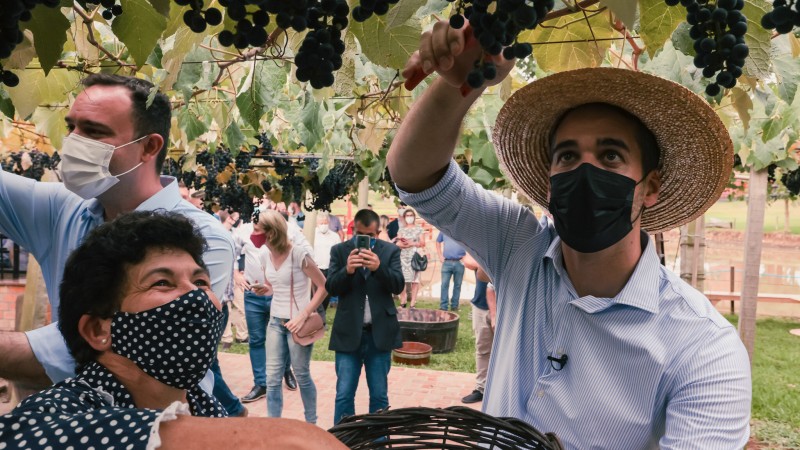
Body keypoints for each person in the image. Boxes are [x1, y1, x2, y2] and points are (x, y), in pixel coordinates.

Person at [386, 22, 751, 449]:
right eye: (568, 156)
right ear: (548, 184)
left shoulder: (703, 348)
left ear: (650, 187)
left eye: (611, 156)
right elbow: (416, 178)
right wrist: (460, 86)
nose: (585, 171)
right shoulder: (518, 246)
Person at [0, 211, 346, 450]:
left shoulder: (204, 405)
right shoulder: (50, 417)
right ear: (97, 329)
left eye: (200, 281)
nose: (196, 297)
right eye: (163, 282)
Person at [0, 74, 234, 394]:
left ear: (149, 147)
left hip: (157, 433)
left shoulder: (205, 238)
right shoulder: (65, 210)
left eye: (94, 132)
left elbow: (129, 356)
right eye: (72, 127)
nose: (73, 142)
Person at [325, 209, 405, 425]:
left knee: (379, 396)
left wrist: (379, 268)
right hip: (348, 334)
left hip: (379, 336)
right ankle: (344, 441)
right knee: (343, 395)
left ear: (378, 232)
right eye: (361, 234)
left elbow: (398, 285)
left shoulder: (389, 252)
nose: (366, 240)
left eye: (371, 236)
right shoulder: (340, 251)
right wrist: (347, 271)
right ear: (353, 230)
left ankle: (378, 443)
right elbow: (331, 287)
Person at [258, 210, 328, 424]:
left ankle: (311, 424)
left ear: (271, 233)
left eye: (259, 231)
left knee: (302, 375)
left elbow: (324, 286)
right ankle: (274, 427)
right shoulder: (263, 253)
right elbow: (274, 286)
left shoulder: (298, 254)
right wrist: (264, 288)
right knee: (271, 378)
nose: (255, 235)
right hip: (275, 323)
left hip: (299, 324)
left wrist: (304, 314)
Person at [232, 210, 298, 403]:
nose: (255, 233)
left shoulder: (290, 231)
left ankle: (286, 369)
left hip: (279, 294)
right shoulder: (243, 232)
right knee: (257, 340)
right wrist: (236, 273)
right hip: (253, 294)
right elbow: (233, 251)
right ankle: (261, 384)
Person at [460, 253, 495, 404]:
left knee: (505, 350)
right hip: (480, 305)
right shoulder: (482, 243)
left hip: (505, 306)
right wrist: (487, 263)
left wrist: (482, 262)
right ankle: (481, 388)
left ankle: (499, 388)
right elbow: (466, 260)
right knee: (482, 349)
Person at [217, 210, 249, 347]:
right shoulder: (218, 232)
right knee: (225, 306)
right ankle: (226, 337)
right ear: (229, 218)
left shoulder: (236, 234)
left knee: (241, 304)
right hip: (224, 273)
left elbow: (244, 250)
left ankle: (242, 336)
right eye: (234, 216)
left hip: (236, 273)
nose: (237, 218)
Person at [395, 208, 426, 308]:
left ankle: (413, 302)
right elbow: (398, 243)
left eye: (410, 215)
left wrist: (412, 243)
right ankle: (403, 300)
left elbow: (422, 243)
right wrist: (405, 244)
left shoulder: (419, 228)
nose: (409, 217)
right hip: (403, 256)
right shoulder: (401, 229)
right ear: (404, 217)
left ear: (414, 217)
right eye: (407, 216)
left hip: (414, 256)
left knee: (415, 280)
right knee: (402, 279)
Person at [313, 212, 342, 310]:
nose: (323, 225)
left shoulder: (335, 236)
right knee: (314, 294)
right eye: (321, 223)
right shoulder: (312, 235)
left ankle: (322, 314)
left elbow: (338, 253)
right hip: (316, 269)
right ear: (317, 223)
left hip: (329, 269)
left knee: (326, 294)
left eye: (325, 223)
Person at [435, 230, 467, 311]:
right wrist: (440, 256)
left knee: (457, 285)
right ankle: (443, 306)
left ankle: (454, 306)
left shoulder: (463, 231)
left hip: (459, 262)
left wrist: (466, 258)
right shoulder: (444, 229)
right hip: (446, 262)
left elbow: (470, 245)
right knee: (444, 285)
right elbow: (438, 242)